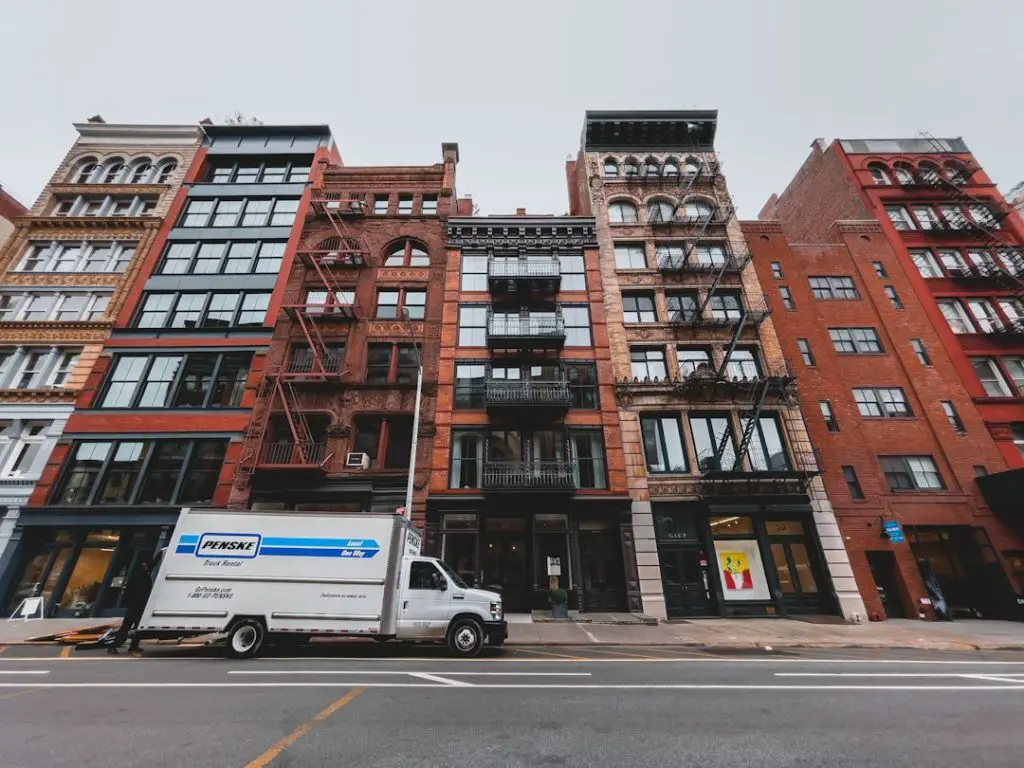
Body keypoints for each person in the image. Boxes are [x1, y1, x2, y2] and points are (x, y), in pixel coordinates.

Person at [107, 559, 153, 655]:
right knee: (126, 627)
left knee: (137, 628)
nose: (145, 567)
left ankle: (133, 646)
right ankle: (114, 645)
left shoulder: (143, 576)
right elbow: (136, 592)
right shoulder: (138, 578)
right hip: (135, 606)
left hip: (138, 606)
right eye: (143, 565)